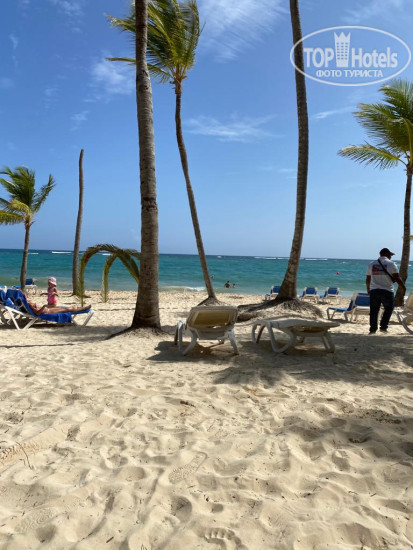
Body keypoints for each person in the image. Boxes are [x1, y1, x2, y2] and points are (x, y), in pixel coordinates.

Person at [366, 247, 406, 334]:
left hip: (374, 290)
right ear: (387, 254)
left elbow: (368, 278)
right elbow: (397, 277)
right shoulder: (391, 264)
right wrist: (403, 287)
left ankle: (373, 329)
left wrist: (368, 289)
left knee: (374, 310)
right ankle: (383, 327)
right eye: (390, 255)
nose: (391, 256)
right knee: (389, 308)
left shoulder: (371, 264)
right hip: (387, 290)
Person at [27, 300, 92, 315]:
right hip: (49, 311)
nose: (28, 298)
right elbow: (37, 313)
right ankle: (84, 308)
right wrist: (44, 306)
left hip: (48, 309)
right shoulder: (29, 305)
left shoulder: (29, 303)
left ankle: (76, 307)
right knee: (66, 310)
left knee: (65, 308)